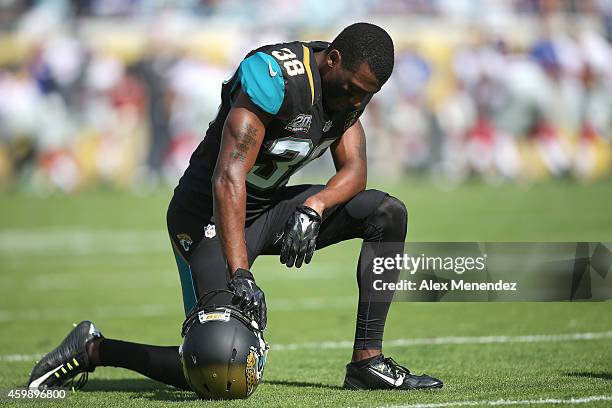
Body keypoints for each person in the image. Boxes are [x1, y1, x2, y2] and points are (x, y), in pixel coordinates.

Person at [27, 22, 443, 393]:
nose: (355, 99)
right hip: (206, 216)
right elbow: (228, 178)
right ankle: (95, 350)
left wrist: (314, 206)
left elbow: (354, 172)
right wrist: (240, 272)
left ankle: (367, 362)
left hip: (265, 209)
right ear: (331, 60)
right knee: (217, 361)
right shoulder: (276, 78)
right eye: (351, 88)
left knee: (387, 213)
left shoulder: (353, 87)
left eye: (365, 94)